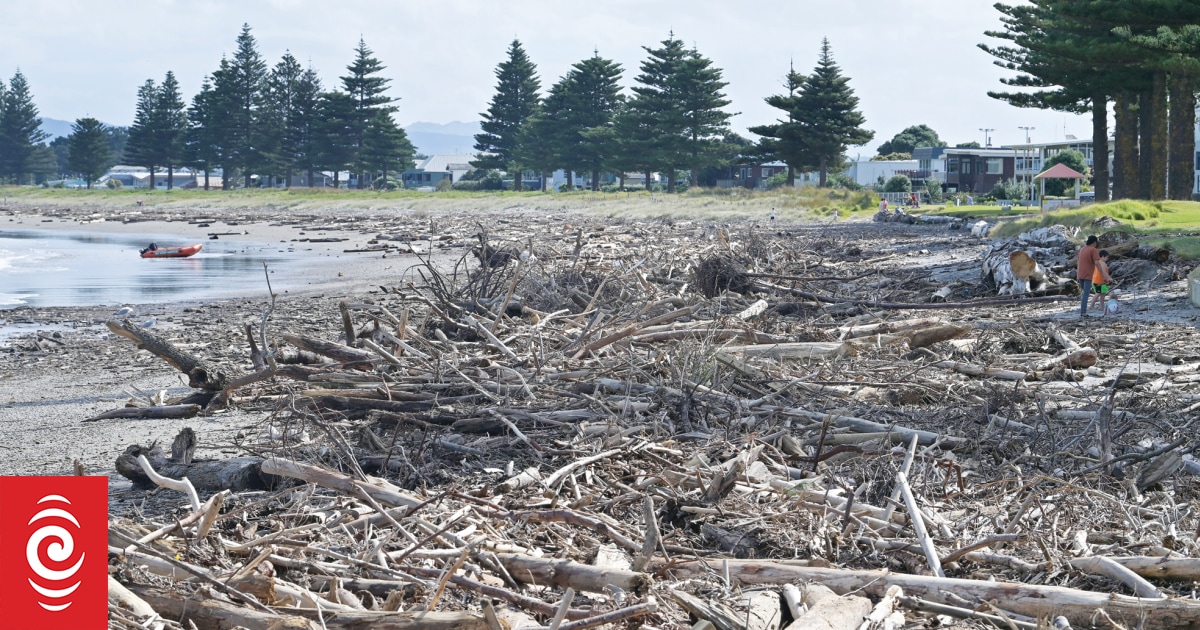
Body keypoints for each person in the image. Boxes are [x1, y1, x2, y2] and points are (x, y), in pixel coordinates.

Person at [1076, 235, 1101, 317]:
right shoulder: (1093, 250)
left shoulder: (1082, 249)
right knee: (1086, 294)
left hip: (1080, 274)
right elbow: (1097, 263)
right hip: (1087, 275)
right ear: (1094, 242)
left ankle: (1083, 310)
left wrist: (1077, 274)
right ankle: (1083, 312)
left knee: (1085, 293)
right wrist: (1103, 274)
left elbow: (1078, 262)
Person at [1090, 250, 1114, 315]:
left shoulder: (1098, 263)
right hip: (1099, 281)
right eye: (1106, 257)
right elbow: (1103, 272)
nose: (1107, 259)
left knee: (1103, 294)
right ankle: (1091, 306)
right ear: (1103, 257)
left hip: (1099, 280)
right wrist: (1109, 278)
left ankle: (1102, 306)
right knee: (1098, 293)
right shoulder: (1103, 263)